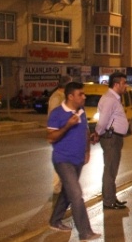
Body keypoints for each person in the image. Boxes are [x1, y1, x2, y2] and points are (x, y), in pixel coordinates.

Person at [47, 82, 101, 241]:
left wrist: (87, 151)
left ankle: (55, 220)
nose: (84, 97)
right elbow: (50, 137)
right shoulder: (57, 114)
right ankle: (85, 232)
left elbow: (85, 130)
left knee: (67, 191)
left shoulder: (82, 111)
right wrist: (67, 126)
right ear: (71, 96)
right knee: (76, 195)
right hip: (63, 159)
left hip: (78, 159)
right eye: (81, 94)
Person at [95, 72, 129, 210]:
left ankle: (112, 197)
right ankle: (108, 201)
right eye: (123, 83)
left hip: (114, 137)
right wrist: (97, 133)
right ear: (116, 84)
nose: (125, 86)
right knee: (109, 170)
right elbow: (103, 120)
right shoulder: (110, 99)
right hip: (111, 138)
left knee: (112, 170)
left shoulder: (114, 98)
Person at [48, 75, 73, 195]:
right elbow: (54, 118)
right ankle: (57, 187)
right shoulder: (56, 98)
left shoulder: (63, 97)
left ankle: (63, 185)